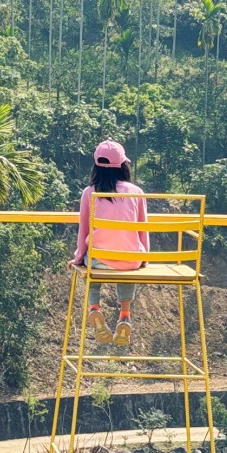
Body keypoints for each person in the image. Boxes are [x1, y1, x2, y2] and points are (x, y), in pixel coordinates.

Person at [71, 140, 148, 347]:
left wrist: (78, 258)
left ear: (96, 166)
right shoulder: (136, 192)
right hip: (130, 261)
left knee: (90, 263)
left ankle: (94, 308)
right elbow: (143, 228)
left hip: (99, 261)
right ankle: (125, 315)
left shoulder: (89, 193)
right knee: (127, 262)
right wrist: (144, 258)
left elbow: (84, 229)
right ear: (123, 165)